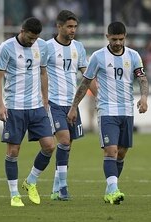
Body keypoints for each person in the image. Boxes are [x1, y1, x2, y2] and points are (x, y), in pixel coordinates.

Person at [67, 21, 149, 205]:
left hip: (127, 111)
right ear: (107, 37)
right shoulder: (98, 57)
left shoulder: (134, 56)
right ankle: (113, 190)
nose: (118, 42)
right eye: (114, 39)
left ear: (125, 37)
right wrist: (74, 107)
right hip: (107, 110)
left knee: (121, 153)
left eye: (121, 39)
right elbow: (85, 83)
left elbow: (142, 78)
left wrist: (144, 98)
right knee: (110, 150)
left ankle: (111, 188)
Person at [0, 17, 55, 207]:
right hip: (14, 107)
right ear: (22, 30)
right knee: (13, 151)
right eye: (30, 37)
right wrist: (0, 105)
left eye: (35, 38)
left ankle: (31, 181)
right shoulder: (6, 47)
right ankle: (14, 194)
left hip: (36, 106)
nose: (32, 41)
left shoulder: (42, 46)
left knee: (49, 146)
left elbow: (43, 72)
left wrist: (45, 99)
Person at [46, 10, 96, 201]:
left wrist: (100, 96)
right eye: (69, 26)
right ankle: (64, 188)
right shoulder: (47, 47)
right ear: (59, 26)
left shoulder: (79, 47)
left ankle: (55, 188)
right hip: (53, 102)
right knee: (64, 141)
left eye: (75, 26)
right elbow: (39, 73)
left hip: (72, 103)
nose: (73, 30)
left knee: (67, 146)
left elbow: (87, 75)